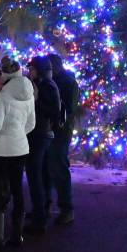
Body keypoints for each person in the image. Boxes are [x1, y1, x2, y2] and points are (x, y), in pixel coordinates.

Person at [0, 60, 36, 250]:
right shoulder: (29, 94)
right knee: (17, 191)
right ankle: (17, 236)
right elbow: (31, 124)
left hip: (1, 150)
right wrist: (19, 134)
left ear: (4, 75)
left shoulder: (2, 96)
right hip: (21, 147)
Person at [24, 56, 61, 235]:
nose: (29, 72)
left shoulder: (45, 85)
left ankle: (39, 219)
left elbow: (52, 110)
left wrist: (35, 100)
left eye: (31, 69)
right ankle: (42, 211)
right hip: (42, 134)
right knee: (42, 174)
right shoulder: (48, 84)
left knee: (34, 176)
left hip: (39, 134)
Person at [45, 53, 78, 224]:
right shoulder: (56, 81)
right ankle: (46, 205)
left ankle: (66, 208)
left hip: (60, 132)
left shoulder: (67, 82)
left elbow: (68, 108)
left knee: (59, 167)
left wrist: (56, 122)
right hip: (51, 130)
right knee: (48, 168)